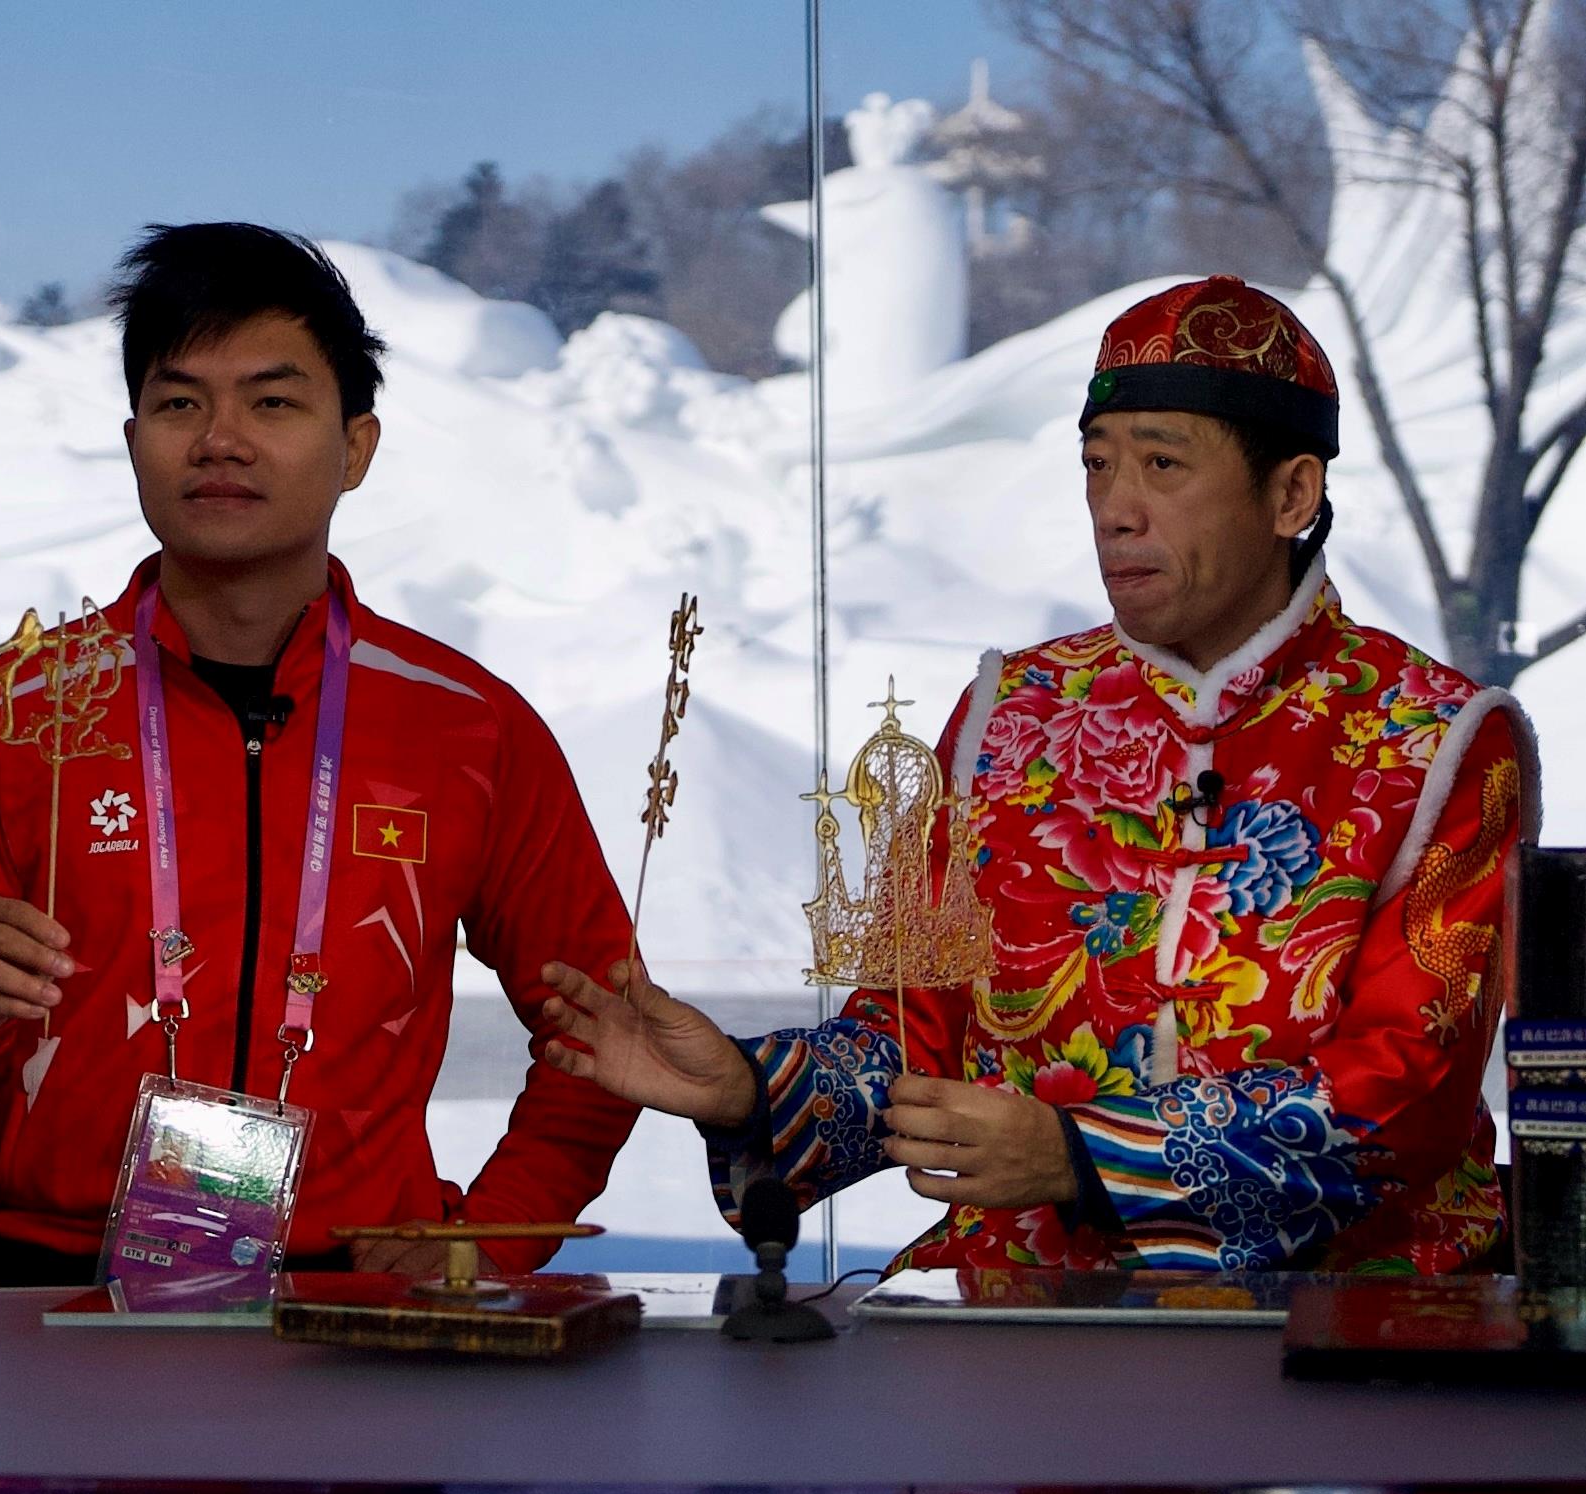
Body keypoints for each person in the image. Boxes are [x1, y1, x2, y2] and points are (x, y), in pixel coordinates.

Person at [543, 275, 1539, 1275]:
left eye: (1162, 464)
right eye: (1098, 466)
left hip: (1339, 1328)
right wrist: (754, 1089)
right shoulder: (1004, 716)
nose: (1116, 509)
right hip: (1019, 1311)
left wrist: (1080, 1155)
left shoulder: (1437, 737)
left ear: (1292, 493)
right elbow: (909, 1033)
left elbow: (1407, 1092)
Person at [0, 222, 639, 1290]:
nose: (220, 439)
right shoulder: (15, 715)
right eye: (180, 403)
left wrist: (483, 1240)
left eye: (272, 400)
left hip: (351, 1303)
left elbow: (608, 1034)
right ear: (134, 442)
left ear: (355, 446)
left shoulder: (469, 727)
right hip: (41, 1285)